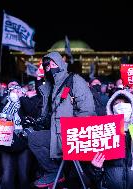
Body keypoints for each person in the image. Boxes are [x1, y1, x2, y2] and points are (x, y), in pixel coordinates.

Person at [28, 51, 96, 188]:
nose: (50, 68)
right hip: (56, 133)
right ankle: (53, 172)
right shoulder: (49, 86)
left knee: (35, 140)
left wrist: (73, 130)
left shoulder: (74, 80)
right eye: (47, 66)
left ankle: (53, 172)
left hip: (71, 135)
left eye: (54, 64)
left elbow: (87, 111)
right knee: (33, 138)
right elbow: (49, 112)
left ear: (60, 64)